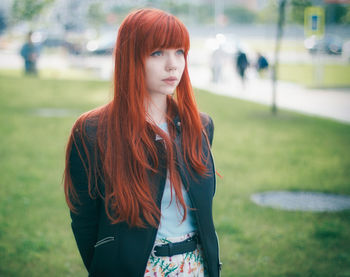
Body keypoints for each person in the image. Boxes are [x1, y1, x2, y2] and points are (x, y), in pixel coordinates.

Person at [64, 8, 221, 277]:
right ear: (131, 57)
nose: (173, 64)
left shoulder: (200, 125)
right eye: (158, 52)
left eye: (179, 51)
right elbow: (84, 220)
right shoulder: (92, 131)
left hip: (196, 268)